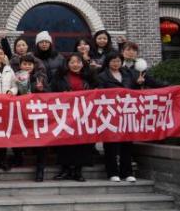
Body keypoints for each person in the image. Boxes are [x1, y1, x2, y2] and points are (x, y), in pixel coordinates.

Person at [50, 53, 97, 182]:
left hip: (84, 115)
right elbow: (51, 92)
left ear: (82, 63)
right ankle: (65, 169)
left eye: (78, 62)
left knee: (81, 144)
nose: (75, 65)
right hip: (66, 115)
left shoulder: (89, 76)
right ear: (67, 64)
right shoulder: (60, 76)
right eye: (72, 62)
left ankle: (78, 171)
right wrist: (62, 95)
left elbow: (98, 90)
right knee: (65, 142)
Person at [96, 51, 141, 183]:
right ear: (108, 62)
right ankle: (112, 172)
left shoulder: (128, 74)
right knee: (111, 145)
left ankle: (127, 172)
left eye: (118, 61)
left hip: (126, 113)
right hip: (110, 114)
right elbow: (100, 93)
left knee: (127, 143)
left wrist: (138, 84)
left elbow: (133, 91)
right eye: (113, 61)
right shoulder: (102, 76)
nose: (116, 63)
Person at [13, 54, 47, 181]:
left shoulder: (40, 77)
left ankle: (40, 169)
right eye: (24, 64)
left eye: (29, 64)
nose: (27, 66)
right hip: (20, 112)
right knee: (17, 135)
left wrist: (41, 89)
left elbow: (49, 93)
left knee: (41, 141)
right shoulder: (15, 76)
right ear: (20, 65)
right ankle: (18, 158)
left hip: (37, 112)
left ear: (34, 65)